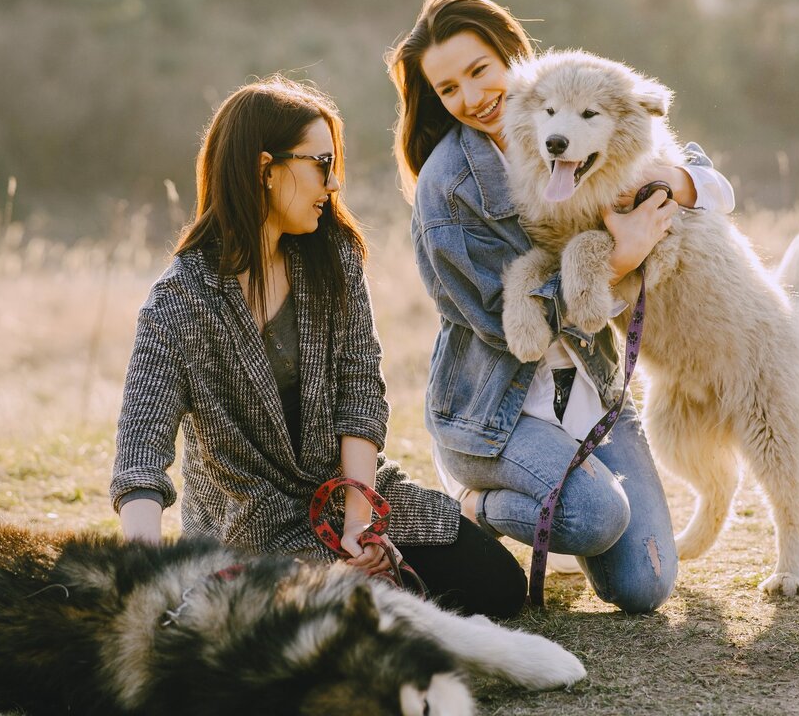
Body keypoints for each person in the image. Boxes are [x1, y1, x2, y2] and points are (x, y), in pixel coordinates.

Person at [110, 76, 527, 618]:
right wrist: (145, 580)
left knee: (498, 587)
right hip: (248, 528)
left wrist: (361, 522)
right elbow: (140, 456)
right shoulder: (179, 301)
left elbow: (360, 393)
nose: (333, 185)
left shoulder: (333, 257)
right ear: (265, 169)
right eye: (320, 165)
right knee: (337, 621)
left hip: (348, 494)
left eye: (336, 166)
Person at [388, 0, 735, 613]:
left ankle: (566, 494)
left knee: (645, 586)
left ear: (513, 57)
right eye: (448, 90)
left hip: (591, 385)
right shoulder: (448, 188)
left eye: (478, 72)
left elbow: (697, 175)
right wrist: (621, 257)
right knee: (598, 515)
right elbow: (505, 326)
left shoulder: (569, 102)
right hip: (495, 407)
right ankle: (476, 503)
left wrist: (680, 182)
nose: (471, 98)